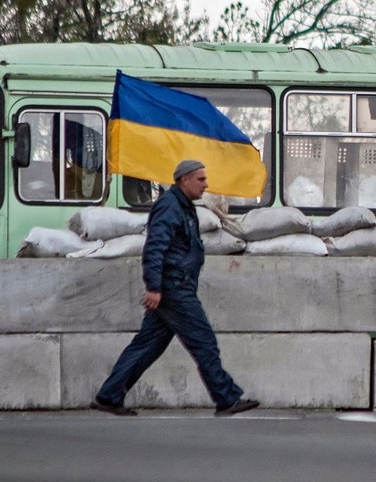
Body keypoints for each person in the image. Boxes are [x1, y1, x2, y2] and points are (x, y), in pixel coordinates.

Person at [91, 159, 259, 417]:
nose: (206, 184)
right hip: (173, 289)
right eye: (201, 179)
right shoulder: (170, 207)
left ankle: (109, 396)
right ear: (184, 180)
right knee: (204, 342)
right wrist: (154, 287)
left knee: (147, 345)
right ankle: (226, 398)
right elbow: (155, 247)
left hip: (175, 287)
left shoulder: (183, 206)